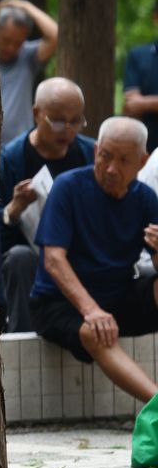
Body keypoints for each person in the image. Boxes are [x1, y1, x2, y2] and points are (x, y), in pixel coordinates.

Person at [30, 117, 158, 403]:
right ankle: (157, 404)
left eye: (124, 160)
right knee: (95, 331)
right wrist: (91, 310)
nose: (112, 168)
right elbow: (53, 260)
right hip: (59, 304)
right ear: (96, 149)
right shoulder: (69, 187)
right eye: (105, 156)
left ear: (142, 161)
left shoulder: (145, 198)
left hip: (116, 299)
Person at [0, 78, 95, 334]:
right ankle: (22, 339)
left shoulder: (89, 154)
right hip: (29, 255)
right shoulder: (11, 159)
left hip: (78, 251)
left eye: (76, 121)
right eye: (59, 121)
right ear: (36, 114)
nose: (69, 131)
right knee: (20, 259)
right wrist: (14, 208)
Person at [0, 0, 59, 145]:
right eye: (7, 40)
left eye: (18, 42)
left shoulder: (27, 57)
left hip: (19, 145)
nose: (11, 47)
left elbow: (55, 35)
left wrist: (25, 5)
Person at [122, 0, 158, 152]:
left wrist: (145, 103)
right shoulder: (138, 56)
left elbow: (139, 103)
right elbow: (131, 105)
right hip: (146, 152)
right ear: (156, 18)